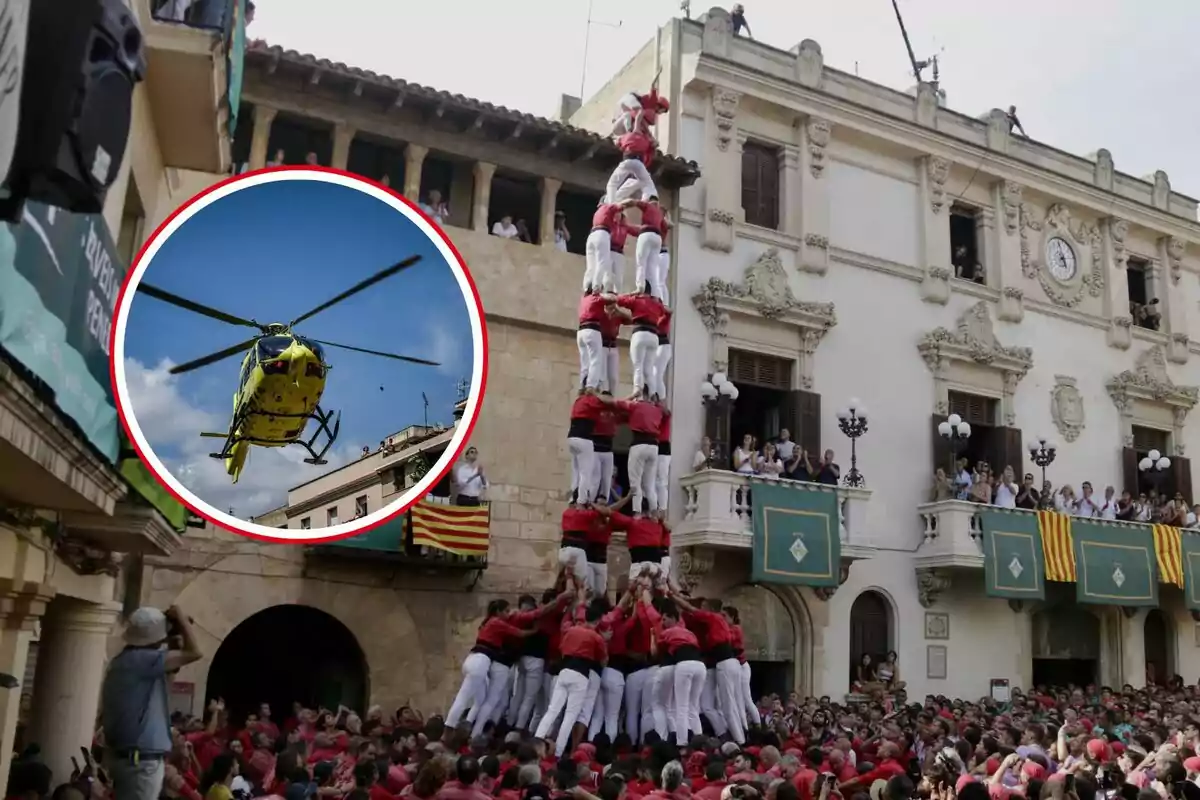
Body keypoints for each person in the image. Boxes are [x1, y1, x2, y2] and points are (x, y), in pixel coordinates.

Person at [102, 605, 203, 800]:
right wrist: (181, 619)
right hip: (140, 763)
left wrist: (173, 641)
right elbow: (195, 652)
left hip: (131, 759)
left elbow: (166, 684)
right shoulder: (141, 660)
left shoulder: (126, 661)